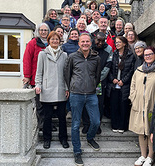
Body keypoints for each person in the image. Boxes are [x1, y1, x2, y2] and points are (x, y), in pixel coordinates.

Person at [64, 33, 101, 166]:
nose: (85, 43)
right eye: (82, 41)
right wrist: (71, 88)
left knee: (96, 121)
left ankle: (90, 138)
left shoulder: (96, 58)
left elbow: (97, 76)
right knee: (75, 125)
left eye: (87, 41)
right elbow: (67, 74)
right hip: (76, 94)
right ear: (79, 43)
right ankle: (77, 151)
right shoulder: (72, 57)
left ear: (91, 43)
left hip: (91, 94)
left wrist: (92, 85)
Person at [35, 31, 69, 149]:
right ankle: (47, 139)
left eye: (57, 39)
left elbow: (66, 74)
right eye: (52, 39)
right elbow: (39, 72)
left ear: (60, 41)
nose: (55, 41)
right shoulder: (42, 54)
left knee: (62, 117)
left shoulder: (64, 55)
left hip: (60, 89)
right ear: (48, 41)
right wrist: (38, 85)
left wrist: (66, 88)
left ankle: (63, 138)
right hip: (47, 89)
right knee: (47, 117)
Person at [129, 46, 155, 166]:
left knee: (150, 131)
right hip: (138, 106)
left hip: (152, 106)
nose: (147, 57)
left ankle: (150, 156)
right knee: (140, 131)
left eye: (150, 54)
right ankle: (143, 155)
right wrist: (133, 98)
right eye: (146, 55)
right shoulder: (139, 70)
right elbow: (132, 85)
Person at [81, 32, 113, 135]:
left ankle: (97, 125)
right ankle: (86, 124)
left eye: (102, 41)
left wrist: (98, 78)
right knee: (85, 103)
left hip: (99, 82)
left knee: (98, 104)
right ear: (94, 39)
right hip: (87, 81)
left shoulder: (108, 49)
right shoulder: (89, 47)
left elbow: (108, 66)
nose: (100, 43)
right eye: (98, 40)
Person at [23, 23, 50, 131]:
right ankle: (42, 125)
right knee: (39, 105)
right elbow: (27, 61)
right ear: (38, 31)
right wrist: (27, 76)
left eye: (45, 30)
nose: (43, 32)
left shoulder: (50, 43)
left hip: (48, 79)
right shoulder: (32, 43)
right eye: (41, 30)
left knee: (48, 103)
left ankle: (48, 123)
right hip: (36, 79)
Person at [108, 36, 135, 133]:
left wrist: (123, 80)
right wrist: (112, 79)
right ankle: (115, 125)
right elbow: (109, 68)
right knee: (114, 106)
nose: (117, 44)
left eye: (119, 42)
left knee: (123, 106)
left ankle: (122, 126)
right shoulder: (113, 54)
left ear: (124, 43)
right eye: (116, 42)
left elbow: (131, 70)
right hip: (114, 85)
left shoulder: (130, 55)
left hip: (124, 85)